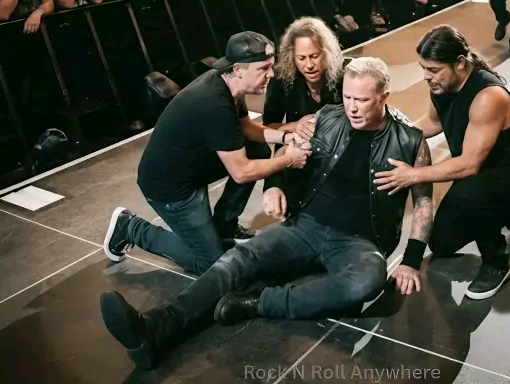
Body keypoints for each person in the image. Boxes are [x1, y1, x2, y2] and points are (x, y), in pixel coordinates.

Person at [99, 57, 433, 372]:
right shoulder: (327, 117)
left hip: (358, 241)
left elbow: (423, 202)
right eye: (347, 97)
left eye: (362, 100)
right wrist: (274, 184)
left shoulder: (410, 141)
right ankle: (154, 327)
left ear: (384, 96)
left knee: (367, 281)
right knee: (236, 259)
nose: (352, 107)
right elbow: (289, 149)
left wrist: (411, 260)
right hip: (305, 227)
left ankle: (260, 302)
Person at [102, 32, 311, 276]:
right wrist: (289, 159)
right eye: (263, 68)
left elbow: (245, 127)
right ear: (239, 69)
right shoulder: (214, 103)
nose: (271, 74)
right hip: (171, 188)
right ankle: (130, 227)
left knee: (257, 150)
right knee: (210, 265)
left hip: (192, 167)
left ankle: (224, 227)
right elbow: (242, 173)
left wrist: (285, 138)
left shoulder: (229, 84)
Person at [375, 25, 510, 300]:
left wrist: (412, 175)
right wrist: (395, 136)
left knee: (471, 193)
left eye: (433, 69)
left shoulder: (488, 96)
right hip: (476, 175)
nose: (426, 76)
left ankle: (497, 259)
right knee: (442, 244)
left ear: (460, 63)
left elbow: (469, 164)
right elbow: (434, 121)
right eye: (423, 68)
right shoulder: (441, 84)